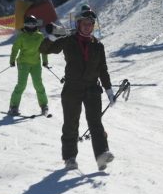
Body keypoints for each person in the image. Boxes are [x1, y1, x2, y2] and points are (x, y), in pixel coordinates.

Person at [40, 9, 116, 171]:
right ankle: (70, 157)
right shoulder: (68, 40)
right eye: (84, 24)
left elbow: (103, 69)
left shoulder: (98, 46)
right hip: (72, 88)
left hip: (92, 89)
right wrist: (53, 37)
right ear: (78, 24)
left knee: (96, 123)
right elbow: (44, 49)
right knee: (71, 123)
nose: (88, 27)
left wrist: (108, 90)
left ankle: (102, 155)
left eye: (90, 24)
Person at [7, 16, 49, 116]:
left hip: (36, 63)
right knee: (21, 85)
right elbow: (15, 48)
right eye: (28, 24)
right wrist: (12, 60)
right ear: (25, 25)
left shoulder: (39, 36)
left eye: (33, 24)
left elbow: (44, 50)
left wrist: (45, 61)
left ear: (36, 25)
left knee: (38, 84)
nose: (31, 26)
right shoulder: (22, 36)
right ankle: (13, 106)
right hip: (23, 63)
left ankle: (44, 105)